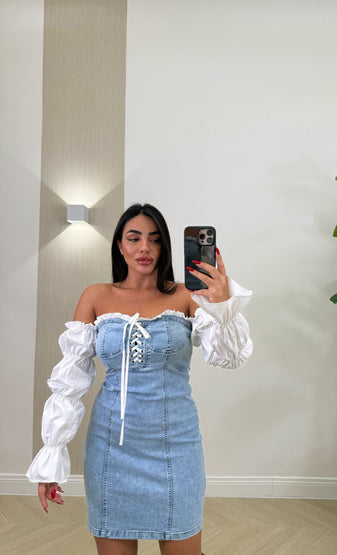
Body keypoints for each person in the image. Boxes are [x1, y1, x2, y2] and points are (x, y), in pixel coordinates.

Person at [26, 203, 253, 555]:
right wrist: (52, 453)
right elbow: (70, 383)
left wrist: (222, 305)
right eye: (134, 238)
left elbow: (230, 357)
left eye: (155, 239)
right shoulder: (95, 296)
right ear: (120, 245)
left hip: (176, 445)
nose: (145, 247)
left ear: (165, 247)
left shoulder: (188, 296)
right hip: (111, 449)